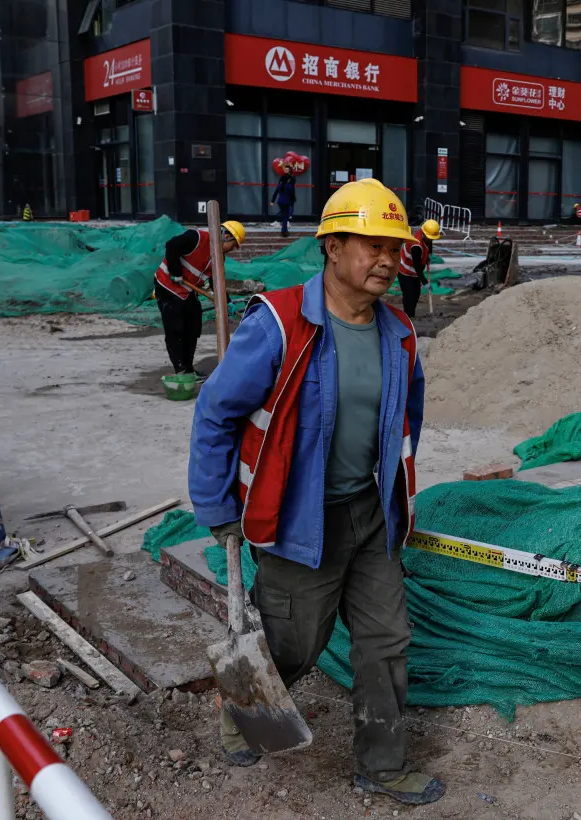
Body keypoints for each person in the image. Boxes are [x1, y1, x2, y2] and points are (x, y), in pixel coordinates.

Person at [189, 178, 443, 807]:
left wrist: (395, 497)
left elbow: (407, 418)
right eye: (371, 244)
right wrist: (219, 505)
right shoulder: (279, 323)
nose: (387, 259)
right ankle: (243, 707)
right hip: (298, 515)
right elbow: (216, 412)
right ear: (332, 246)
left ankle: (381, 765)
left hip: (370, 512)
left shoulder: (399, 334)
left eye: (394, 246)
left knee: (387, 641)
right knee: (296, 641)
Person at [155, 220, 246, 379]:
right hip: (167, 286)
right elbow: (171, 245)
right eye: (233, 245)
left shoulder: (218, 258)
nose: (233, 249)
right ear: (226, 236)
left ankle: (189, 368)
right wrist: (175, 272)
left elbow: (215, 282)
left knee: (193, 326)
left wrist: (227, 301)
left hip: (187, 291)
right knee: (175, 328)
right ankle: (181, 371)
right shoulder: (195, 238)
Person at [397, 218, 440, 318]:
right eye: (431, 238)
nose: (432, 239)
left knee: (416, 294)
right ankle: (408, 318)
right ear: (424, 233)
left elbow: (429, 245)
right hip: (405, 271)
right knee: (409, 297)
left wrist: (428, 256)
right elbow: (418, 268)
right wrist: (425, 282)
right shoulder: (416, 246)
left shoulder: (426, 235)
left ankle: (411, 315)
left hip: (415, 271)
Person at [271, 164, 297, 238]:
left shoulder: (281, 184)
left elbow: (276, 191)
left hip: (280, 201)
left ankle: (284, 229)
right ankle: (284, 232)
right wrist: (292, 200)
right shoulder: (289, 185)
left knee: (284, 216)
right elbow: (292, 192)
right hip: (286, 201)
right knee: (285, 217)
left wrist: (272, 200)